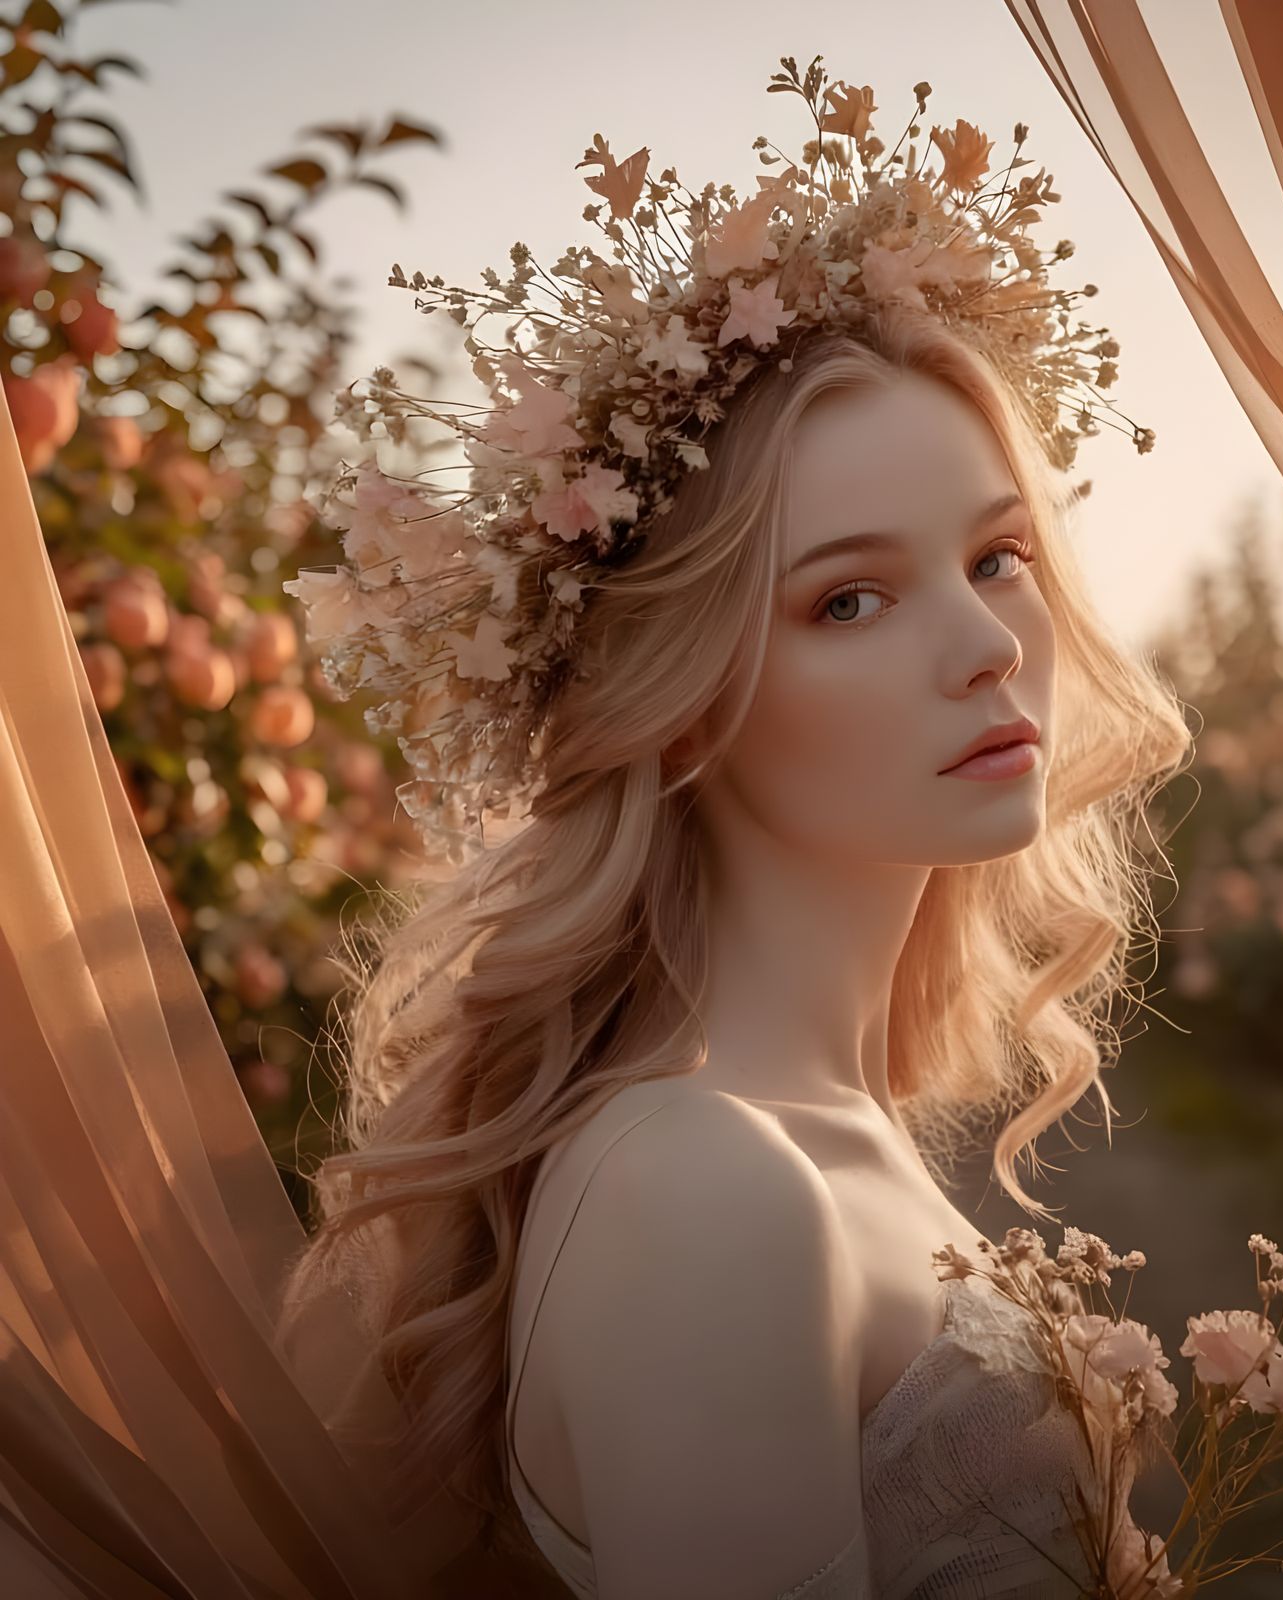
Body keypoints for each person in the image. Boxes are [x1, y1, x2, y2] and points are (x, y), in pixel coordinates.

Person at [1, 56, 1191, 1600]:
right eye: (849, 598)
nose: (983, 644)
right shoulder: (709, 1186)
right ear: (677, 703)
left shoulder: (792, 1130)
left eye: (998, 557)